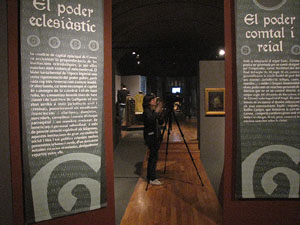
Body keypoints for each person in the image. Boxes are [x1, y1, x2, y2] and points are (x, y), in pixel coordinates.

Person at [143, 94, 164, 186]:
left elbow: (160, 121)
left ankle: (151, 175)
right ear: (149, 101)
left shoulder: (151, 110)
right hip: (151, 137)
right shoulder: (147, 111)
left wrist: (161, 113)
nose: (155, 100)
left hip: (155, 136)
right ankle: (152, 178)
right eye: (153, 99)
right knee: (153, 157)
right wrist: (157, 111)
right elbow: (151, 120)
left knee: (154, 156)